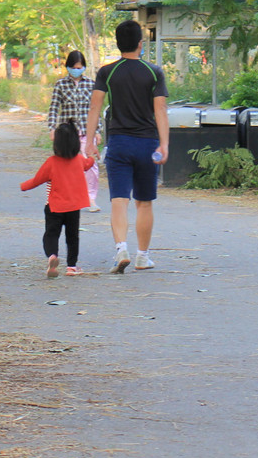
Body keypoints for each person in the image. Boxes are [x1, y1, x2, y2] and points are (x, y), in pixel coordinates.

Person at [83, 19, 169, 274]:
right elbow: (161, 110)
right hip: (147, 143)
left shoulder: (107, 72)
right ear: (141, 44)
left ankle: (121, 248)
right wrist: (164, 144)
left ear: (119, 44)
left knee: (119, 200)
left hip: (119, 143)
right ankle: (143, 256)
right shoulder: (154, 72)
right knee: (144, 202)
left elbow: (95, 107)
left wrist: (89, 141)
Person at [21, 121, 96, 278]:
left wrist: (23, 186)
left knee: (51, 234)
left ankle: (52, 256)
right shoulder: (79, 160)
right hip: (74, 207)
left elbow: (37, 180)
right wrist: (91, 155)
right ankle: (71, 267)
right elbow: (89, 164)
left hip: (54, 206)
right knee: (72, 237)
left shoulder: (51, 162)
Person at [47, 49, 101, 212]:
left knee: (90, 165)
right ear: (68, 67)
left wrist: (97, 130)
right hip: (67, 134)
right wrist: (52, 128)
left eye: (80, 66)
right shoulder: (61, 85)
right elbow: (54, 107)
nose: (77, 69)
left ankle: (90, 198)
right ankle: (61, 198)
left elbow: (95, 109)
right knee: (64, 166)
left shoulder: (91, 84)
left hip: (86, 131)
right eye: (74, 66)